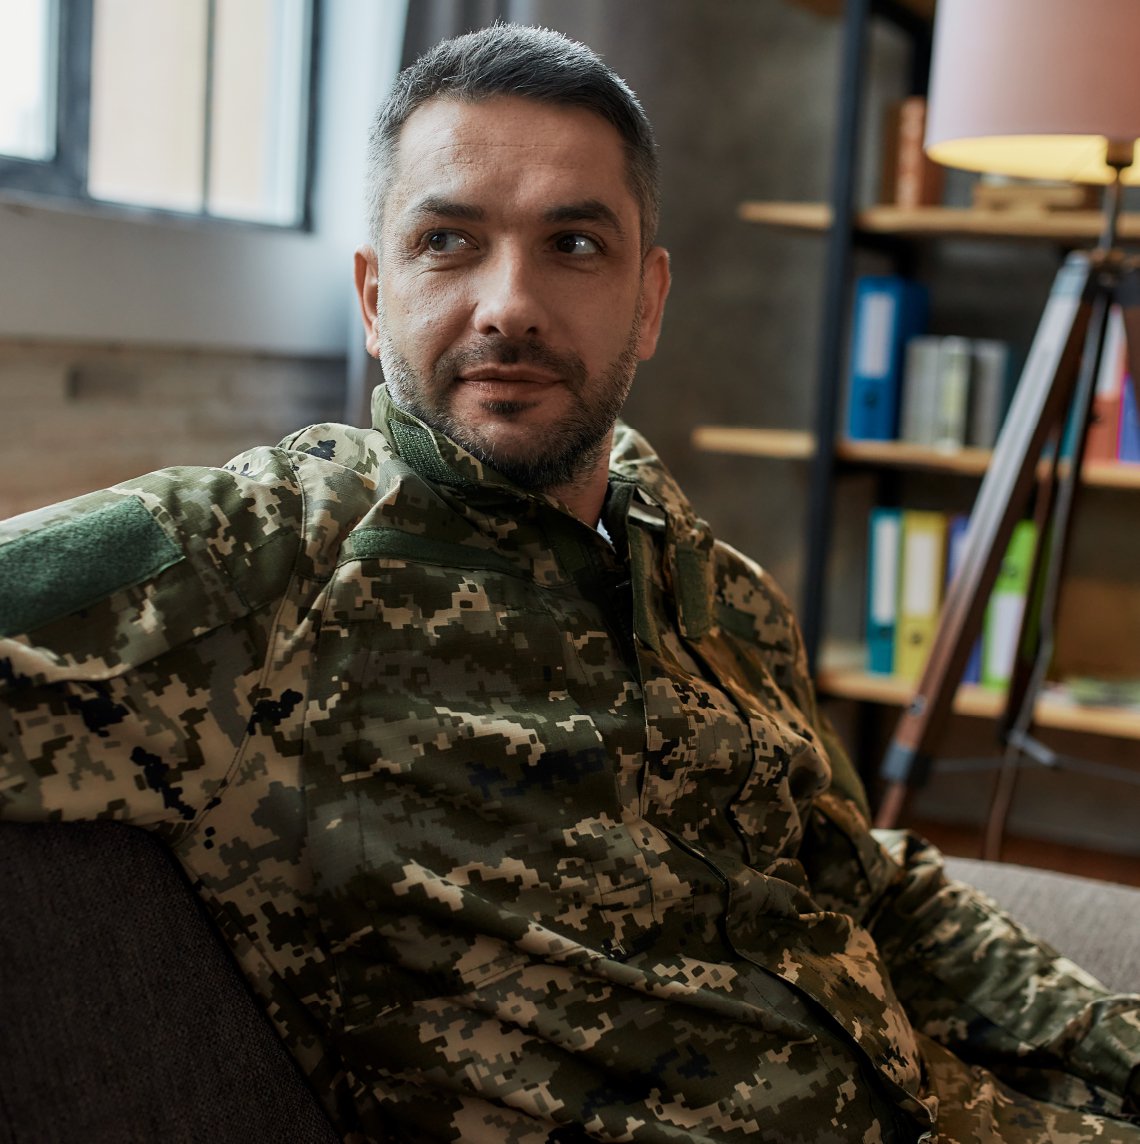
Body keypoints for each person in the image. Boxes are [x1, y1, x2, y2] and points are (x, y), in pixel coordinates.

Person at [1, 22, 1137, 1144]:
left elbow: (869, 883)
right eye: (447, 240)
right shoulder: (262, 564)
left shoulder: (718, 588)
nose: (508, 303)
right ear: (371, 291)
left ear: (648, 301)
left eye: (573, 245)